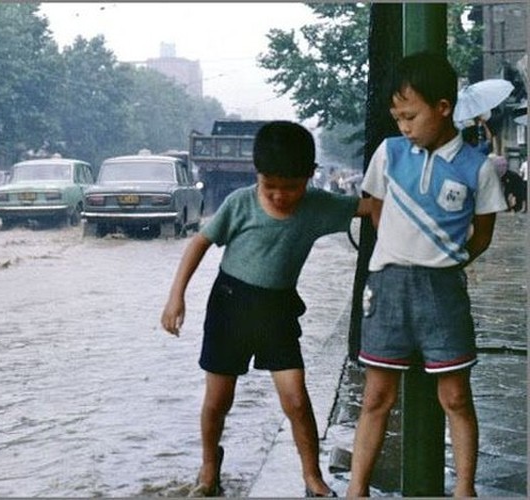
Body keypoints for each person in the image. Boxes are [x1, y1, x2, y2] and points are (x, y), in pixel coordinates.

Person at [160, 121, 371, 497]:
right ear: (257, 174)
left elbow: (371, 207)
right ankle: (208, 465)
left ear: (310, 176)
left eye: (291, 187)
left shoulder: (318, 206)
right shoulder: (239, 203)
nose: (279, 195)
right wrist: (177, 296)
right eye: (269, 185)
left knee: (296, 400)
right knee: (218, 400)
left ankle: (312, 476)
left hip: (278, 311)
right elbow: (199, 243)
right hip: (230, 306)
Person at [348, 51, 507, 498]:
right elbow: (376, 210)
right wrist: (400, 247)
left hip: (443, 291)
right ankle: (356, 489)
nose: (403, 126)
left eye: (411, 116)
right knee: (376, 397)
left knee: (456, 396)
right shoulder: (389, 153)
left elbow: (483, 235)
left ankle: (464, 489)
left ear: (442, 107)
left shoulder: (477, 167)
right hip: (388, 287)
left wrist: (443, 259)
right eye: (397, 117)